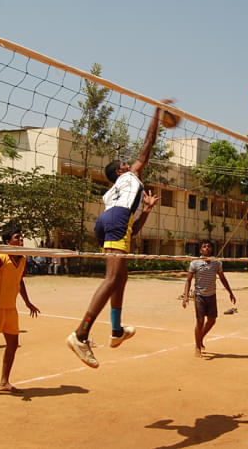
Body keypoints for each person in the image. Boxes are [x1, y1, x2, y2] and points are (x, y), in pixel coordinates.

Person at [65, 100, 168, 369]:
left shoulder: (114, 191)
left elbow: (130, 232)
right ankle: (81, 334)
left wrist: (146, 210)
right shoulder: (130, 174)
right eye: (125, 163)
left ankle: (116, 330)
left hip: (108, 221)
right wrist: (156, 113)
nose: (130, 163)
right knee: (112, 279)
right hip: (116, 220)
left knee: (121, 277)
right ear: (120, 170)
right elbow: (147, 147)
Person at [0, 227, 40, 398]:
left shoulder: (23, 259)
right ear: (7, 242)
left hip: (11, 308)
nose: (21, 240)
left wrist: (27, 302)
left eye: (21, 237)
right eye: (17, 237)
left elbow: (20, 281)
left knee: (12, 344)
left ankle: (4, 382)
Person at [181, 240, 236, 357]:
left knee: (212, 320)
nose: (206, 248)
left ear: (211, 249)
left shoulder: (217, 263)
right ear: (201, 250)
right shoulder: (195, 263)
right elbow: (189, 280)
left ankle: (200, 338)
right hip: (199, 295)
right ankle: (197, 347)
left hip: (211, 295)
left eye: (209, 246)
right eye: (204, 247)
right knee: (200, 322)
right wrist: (185, 296)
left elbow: (222, 278)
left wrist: (230, 292)